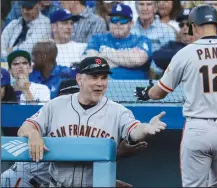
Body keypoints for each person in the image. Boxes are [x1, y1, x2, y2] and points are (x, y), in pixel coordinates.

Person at [135, 4, 217, 187]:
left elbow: (159, 93)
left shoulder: (185, 53)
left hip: (198, 129)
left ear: (194, 26)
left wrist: (146, 93)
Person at [17, 56, 167, 187]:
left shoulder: (118, 111)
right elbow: (26, 127)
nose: (100, 83)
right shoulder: (55, 105)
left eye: (103, 78)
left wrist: (146, 128)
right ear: (79, 79)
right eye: (94, 77)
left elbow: (134, 130)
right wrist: (33, 134)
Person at [84, 3, 152, 79]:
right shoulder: (97, 38)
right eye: (114, 19)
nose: (118, 24)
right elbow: (89, 61)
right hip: (103, 86)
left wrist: (105, 52)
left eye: (123, 20)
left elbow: (138, 60)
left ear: (131, 23)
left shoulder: (141, 39)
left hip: (135, 87)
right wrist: (126, 58)